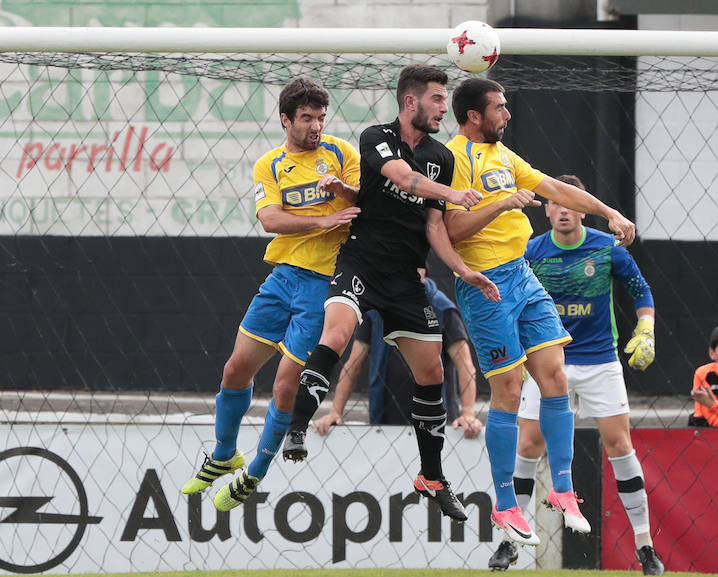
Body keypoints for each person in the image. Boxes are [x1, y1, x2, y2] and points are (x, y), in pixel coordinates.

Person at [280, 64, 499, 523]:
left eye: (445, 98)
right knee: (337, 336)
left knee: (432, 372)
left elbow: (435, 225)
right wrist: (455, 193)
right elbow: (403, 179)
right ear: (410, 102)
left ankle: (432, 477)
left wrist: (462, 269)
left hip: (406, 278)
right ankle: (297, 427)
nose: (444, 107)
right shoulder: (376, 137)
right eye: (438, 98)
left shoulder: (442, 155)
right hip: (361, 261)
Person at [443, 77, 636, 547]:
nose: (507, 114)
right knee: (508, 391)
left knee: (555, 378)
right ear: (474, 116)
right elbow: (452, 228)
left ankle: (564, 490)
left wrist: (610, 212)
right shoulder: (453, 159)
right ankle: (506, 505)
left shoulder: (505, 157)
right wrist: (503, 203)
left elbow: (555, 188)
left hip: (521, 275)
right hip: (484, 284)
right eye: (500, 107)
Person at [180, 77, 361, 511]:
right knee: (235, 369)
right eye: (306, 118)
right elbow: (270, 219)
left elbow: (364, 203)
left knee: (285, 387)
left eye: (320, 117)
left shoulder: (341, 153)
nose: (315, 126)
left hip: (323, 285)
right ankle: (225, 453)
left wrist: (343, 191)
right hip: (281, 279)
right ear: (285, 120)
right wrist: (320, 221)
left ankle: (256, 471)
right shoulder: (270, 164)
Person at [485, 174, 664, 575]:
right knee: (528, 445)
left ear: (582, 208)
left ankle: (645, 545)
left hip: (600, 361)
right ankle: (509, 543)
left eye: (570, 204)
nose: (563, 210)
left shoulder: (607, 248)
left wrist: (646, 328)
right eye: (554, 203)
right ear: (546, 208)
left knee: (619, 445)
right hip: (548, 362)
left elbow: (642, 291)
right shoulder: (530, 252)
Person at [312, 269, 483, 439]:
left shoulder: (442, 309)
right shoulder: (375, 311)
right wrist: (335, 411)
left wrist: (468, 413)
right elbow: (353, 365)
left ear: (423, 271)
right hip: (384, 425)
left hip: (437, 423)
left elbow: (465, 365)